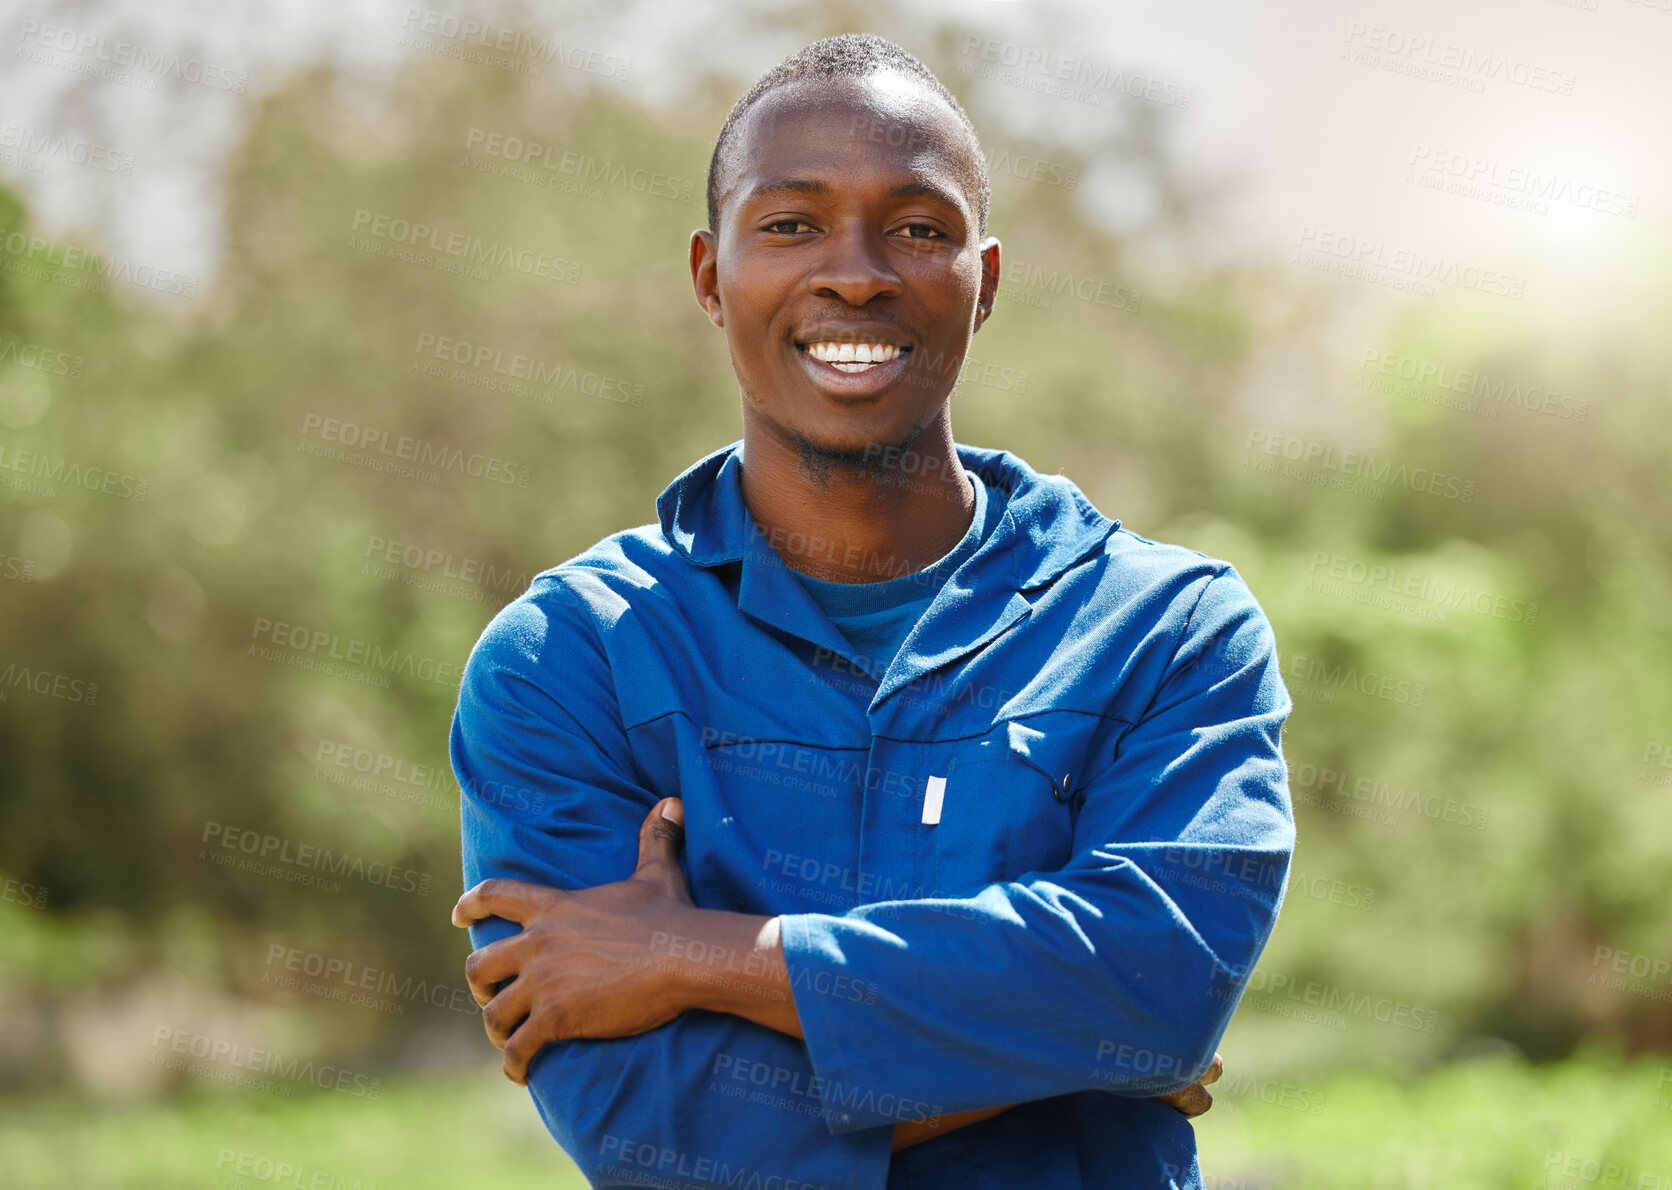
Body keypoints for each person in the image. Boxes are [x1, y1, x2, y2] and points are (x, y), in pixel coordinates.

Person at [448, 33, 1294, 1190]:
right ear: (709, 275)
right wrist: (1060, 1045)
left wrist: (697, 952)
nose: (854, 272)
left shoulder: (1167, 628)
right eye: (790, 224)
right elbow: (647, 1128)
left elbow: (1157, 990)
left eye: (917, 227)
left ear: (983, 281)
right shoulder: (568, 661)